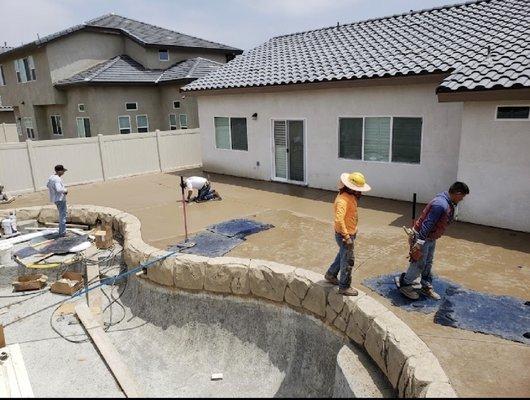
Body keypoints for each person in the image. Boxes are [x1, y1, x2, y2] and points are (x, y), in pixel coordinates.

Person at [397, 182, 470, 300]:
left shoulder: (448, 202)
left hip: (431, 237)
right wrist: (419, 243)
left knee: (428, 262)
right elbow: (427, 224)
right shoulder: (440, 204)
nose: (462, 199)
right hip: (423, 237)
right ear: (457, 193)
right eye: (462, 197)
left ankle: (425, 284)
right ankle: (405, 284)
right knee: (418, 263)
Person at [325, 172, 371, 296]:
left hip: (348, 234)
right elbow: (339, 220)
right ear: (350, 189)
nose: (360, 193)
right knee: (348, 260)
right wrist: (347, 237)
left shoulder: (350, 197)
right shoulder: (342, 201)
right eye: (358, 190)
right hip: (344, 236)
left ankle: (331, 274)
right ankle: (344, 287)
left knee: (342, 255)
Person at [47, 165, 68, 237]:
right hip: (60, 199)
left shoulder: (51, 178)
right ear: (60, 171)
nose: (63, 173)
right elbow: (59, 189)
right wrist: (65, 190)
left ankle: (61, 231)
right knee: (63, 215)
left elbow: (47, 185)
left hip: (55, 199)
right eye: (63, 171)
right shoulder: (57, 179)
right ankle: (62, 233)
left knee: (62, 215)